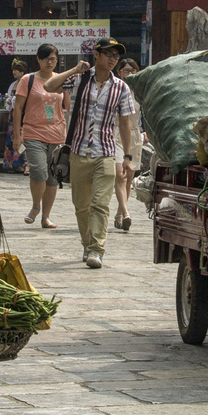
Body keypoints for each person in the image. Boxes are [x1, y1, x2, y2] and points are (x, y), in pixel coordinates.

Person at [44, 38, 137, 269]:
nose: (113, 59)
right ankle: (87, 244)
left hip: (106, 152)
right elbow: (49, 86)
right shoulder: (79, 78)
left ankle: (97, 249)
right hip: (77, 151)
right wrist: (74, 69)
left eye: (116, 55)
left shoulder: (121, 87)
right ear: (97, 55)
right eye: (109, 54)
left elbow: (125, 123)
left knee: (100, 203)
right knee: (81, 205)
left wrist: (127, 156)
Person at [15, 44, 65, 228]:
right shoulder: (27, 80)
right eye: (46, 58)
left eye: (53, 58)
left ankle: (46, 216)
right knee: (38, 170)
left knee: (52, 176)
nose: (50, 62)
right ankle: (35, 206)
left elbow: (66, 107)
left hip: (57, 133)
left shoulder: (61, 80)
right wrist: (17, 135)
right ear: (38, 59)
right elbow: (18, 108)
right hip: (33, 132)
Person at [113, 57, 144, 232]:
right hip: (116, 133)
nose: (129, 74)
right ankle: (126, 213)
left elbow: (144, 114)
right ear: (119, 72)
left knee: (129, 175)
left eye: (132, 71)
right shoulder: (115, 89)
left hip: (134, 134)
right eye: (125, 70)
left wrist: (145, 132)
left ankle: (118, 213)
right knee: (120, 175)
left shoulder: (139, 92)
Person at [2, 57, 28, 172]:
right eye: (13, 70)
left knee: (22, 137)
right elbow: (8, 96)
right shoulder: (13, 84)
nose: (14, 72)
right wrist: (8, 100)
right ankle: (10, 163)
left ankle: (22, 163)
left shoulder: (26, 83)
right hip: (12, 115)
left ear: (22, 71)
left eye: (16, 70)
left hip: (23, 113)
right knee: (10, 139)